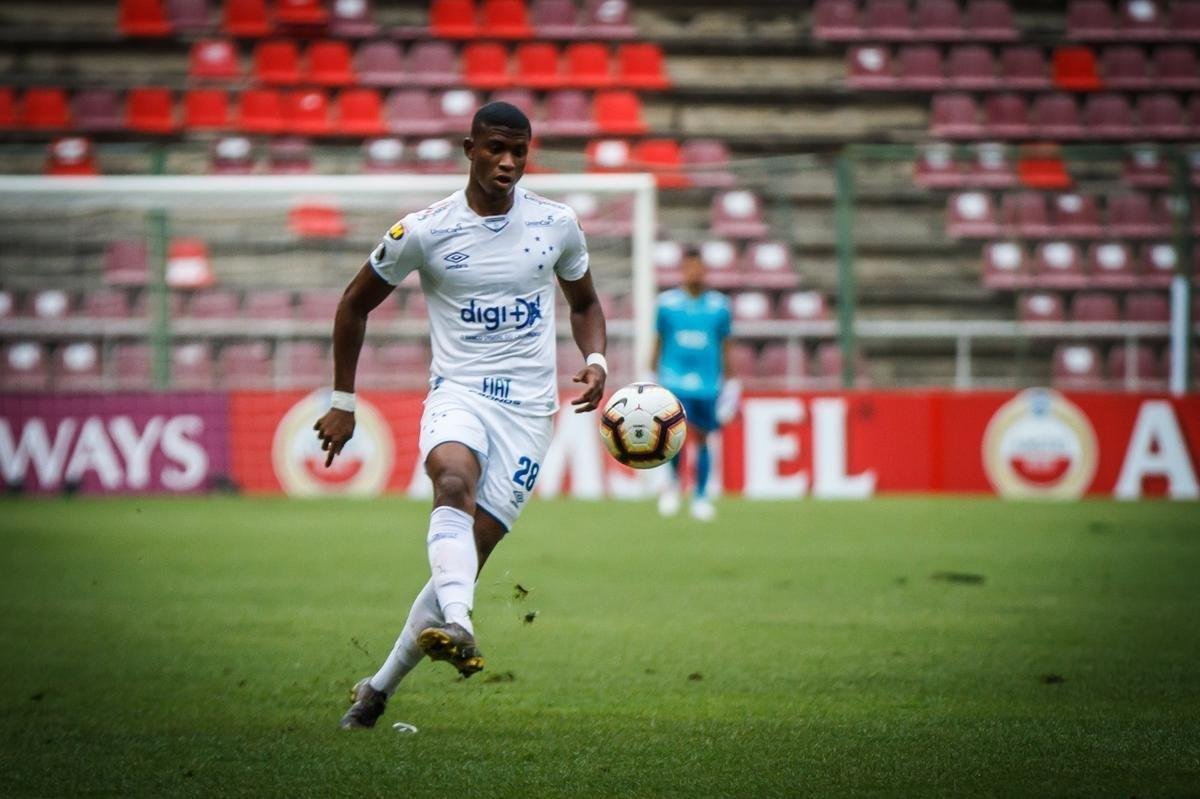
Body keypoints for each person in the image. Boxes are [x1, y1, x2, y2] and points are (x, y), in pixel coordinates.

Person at [313, 102, 607, 730]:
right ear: (468, 147)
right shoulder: (424, 230)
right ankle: (463, 626)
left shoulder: (556, 224)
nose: (509, 162)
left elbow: (584, 302)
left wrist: (597, 359)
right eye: (497, 148)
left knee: (468, 556)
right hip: (459, 393)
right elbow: (352, 305)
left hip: (529, 414)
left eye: (520, 151)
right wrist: (343, 401)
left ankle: (377, 690)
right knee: (451, 479)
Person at [650, 246, 738, 522]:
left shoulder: (719, 306)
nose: (694, 272)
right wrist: (650, 375)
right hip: (673, 380)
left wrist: (732, 383)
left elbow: (725, 345)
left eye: (698, 267)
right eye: (689, 267)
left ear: (705, 270)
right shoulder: (666, 304)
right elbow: (658, 341)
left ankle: (700, 496)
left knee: (702, 438)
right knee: (675, 437)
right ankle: (674, 487)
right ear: (682, 270)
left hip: (707, 383)